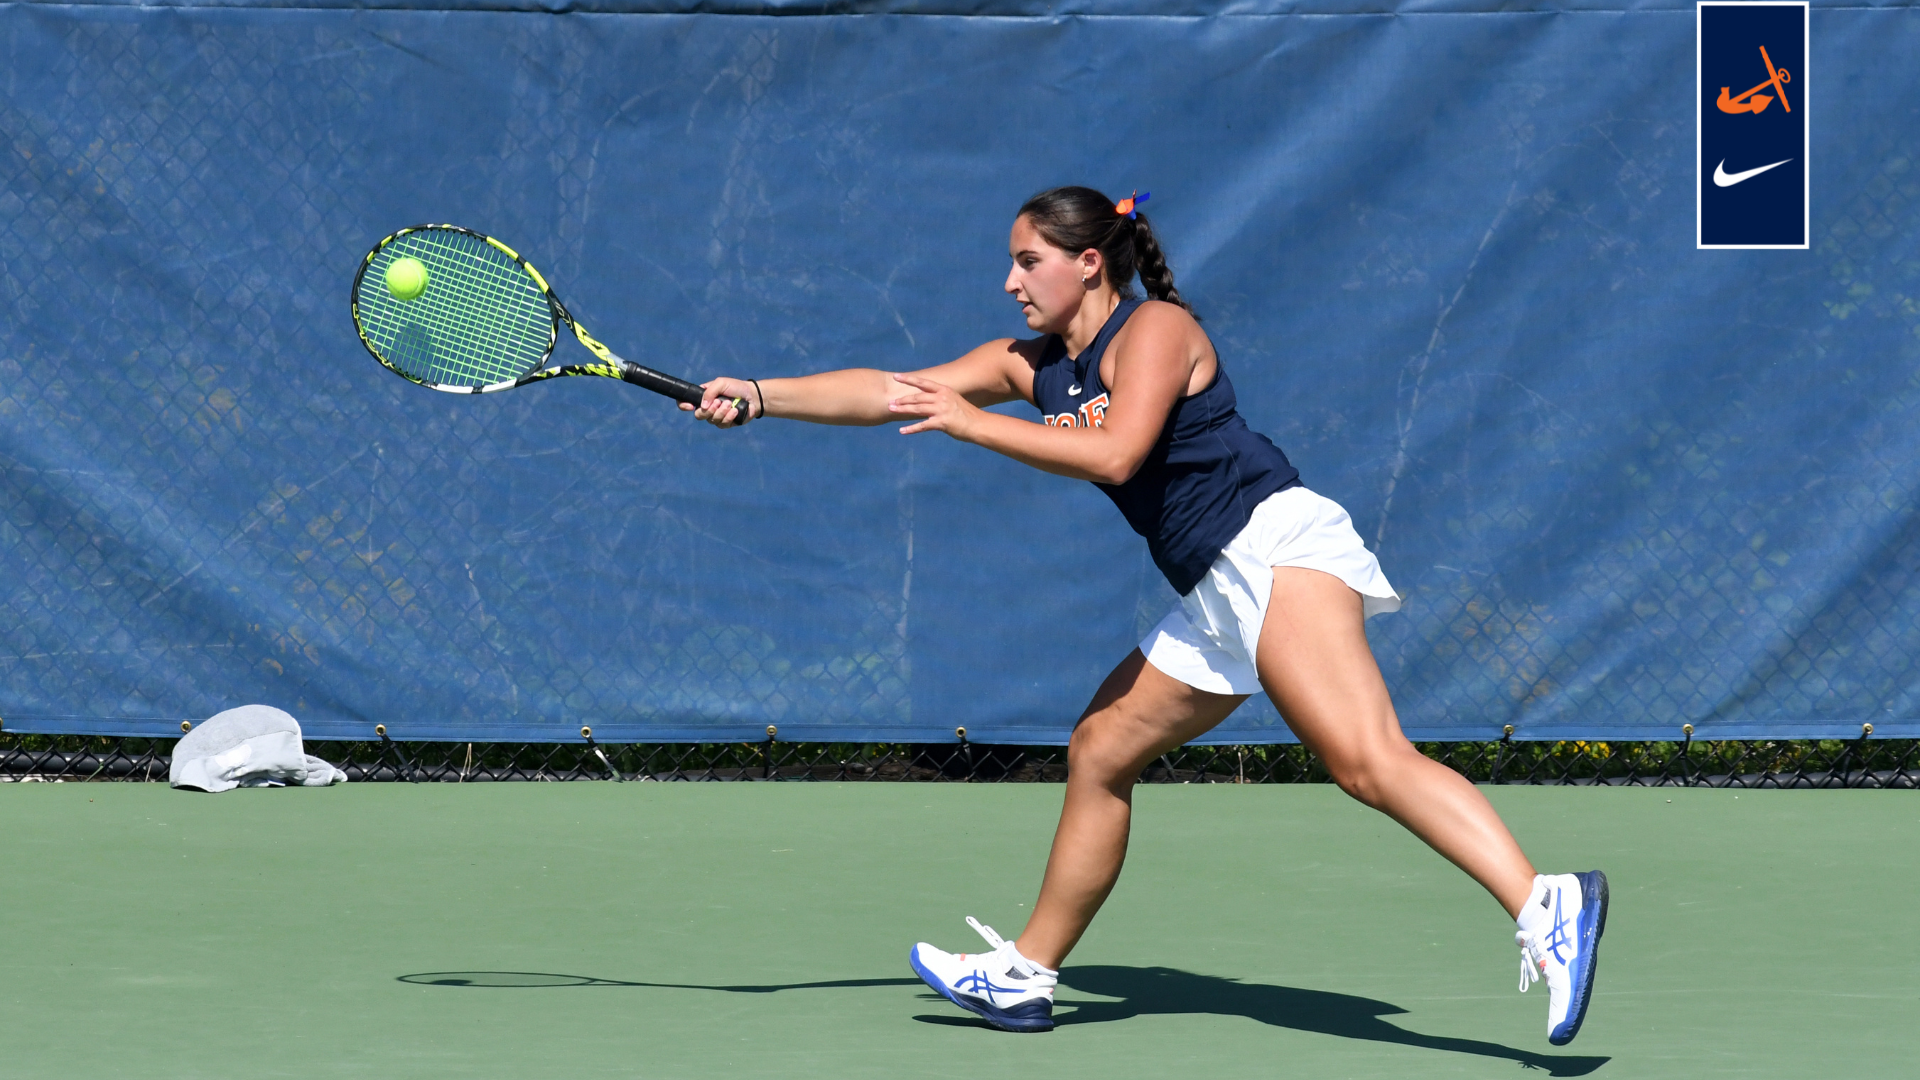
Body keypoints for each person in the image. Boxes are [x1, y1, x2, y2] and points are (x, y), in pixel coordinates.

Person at [686, 186, 1607, 1046]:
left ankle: (1543, 903)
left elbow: (1120, 453)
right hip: (1211, 588)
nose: (1010, 282)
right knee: (1102, 748)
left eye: (1027, 261)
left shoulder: (1156, 329)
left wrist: (973, 425)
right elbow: (894, 388)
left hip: (1274, 547)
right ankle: (1028, 973)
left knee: (1366, 764)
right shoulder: (1035, 366)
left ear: (1089, 263)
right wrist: (762, 397)